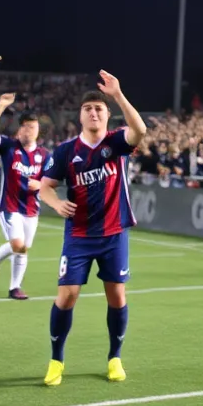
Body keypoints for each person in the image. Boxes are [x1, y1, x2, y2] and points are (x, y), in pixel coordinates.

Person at [38, 72, 148, 387]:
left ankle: (115, 357)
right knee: (67, 296)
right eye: (88, 109)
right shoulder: (64, 151)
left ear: (107, 114)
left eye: (99, 108)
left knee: (116, 296)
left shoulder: (116, 142)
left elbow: (140, 130)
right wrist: (56, 203)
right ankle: (56, 360)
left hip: (114, 233)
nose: (93, 113)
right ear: (80, 116)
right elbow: (45, 187)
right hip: (78, 236)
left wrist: (118, 94)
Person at [0, 93, 48, 299]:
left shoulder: (45, 155)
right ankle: (13, 286)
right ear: (20, 129)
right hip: (9, 206)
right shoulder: (8, 146)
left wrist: (41, 184)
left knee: (23, 248)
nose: (30, 130)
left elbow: (53, 181)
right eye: (26, 127)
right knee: (19, 246)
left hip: (31, 208)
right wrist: (1, 106)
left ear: (38, 130)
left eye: (33, 127)